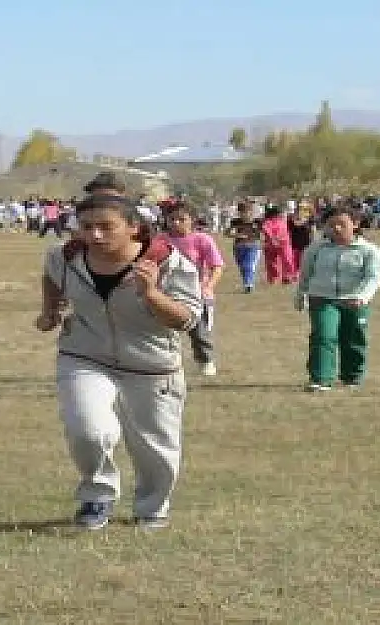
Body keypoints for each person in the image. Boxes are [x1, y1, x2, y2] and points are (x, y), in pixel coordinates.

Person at [36, 194, 203, 530]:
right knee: (88, 430)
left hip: (152, 365)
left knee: (155, 446)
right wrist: (50, 308)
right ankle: (97, 497)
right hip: (84, 356)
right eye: (87, 227)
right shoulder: (66, 257)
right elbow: (52, 277)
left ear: (133, 229)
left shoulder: (167, 262)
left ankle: (152, 506)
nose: (95, 235)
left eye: (106, 227)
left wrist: (152, 294)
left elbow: (186, 320)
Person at [294, 206, 380, 392]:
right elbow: (305, 273)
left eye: (341, 224)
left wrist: (363, 296)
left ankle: (352, 376)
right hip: (322, 298)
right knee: (324, 336)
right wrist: (300, 294)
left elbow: (374, 277)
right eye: (331, 225)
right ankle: (321, 378)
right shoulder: (316, 249)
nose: (336, 229)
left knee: (353, 338)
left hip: (354, 300)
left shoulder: (368, 250)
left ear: (355, 224)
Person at [156, 203, 223, 376]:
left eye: (181, 219)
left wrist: (208, 287)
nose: (176, 223)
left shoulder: (202, 239)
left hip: (196, 294)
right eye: (172, 219)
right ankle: (165, 363)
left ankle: (205, 360)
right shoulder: (160, 240)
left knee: (199, 332)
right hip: (166, 293)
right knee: (163, 331)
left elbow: (217, 266)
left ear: (191, 220)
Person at [224, 203, 262, 292]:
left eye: (248, 212)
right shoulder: (235, 221)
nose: (245, 215)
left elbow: (264, 232)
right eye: (242, 213)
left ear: (251, 212)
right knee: (242, 267)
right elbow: (227, 233)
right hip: (238, 247)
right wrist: (237, 235)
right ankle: (247, 282)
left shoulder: (257, 222)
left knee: (248, 265)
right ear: (239, 213)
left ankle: (248, 285)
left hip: (253, 246)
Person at [261, 205, 296, 284]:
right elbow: (266, 230)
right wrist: (273, 239)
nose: (281, 214)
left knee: (287, 260)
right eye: (279, 213)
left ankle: (287, 277)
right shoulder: (267, 222)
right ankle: (273, 278)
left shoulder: (283, 221)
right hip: (271, 244)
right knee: (272, 262)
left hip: (284, 243)